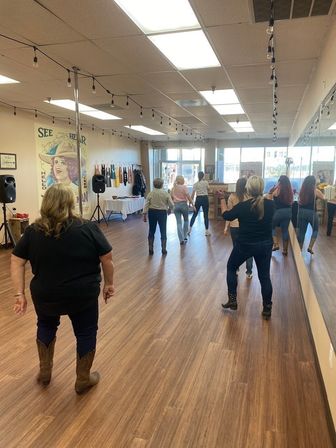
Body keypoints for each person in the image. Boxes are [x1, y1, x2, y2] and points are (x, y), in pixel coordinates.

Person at [11, 184, 114, 394]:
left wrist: (19, 294)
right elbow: (107, 259)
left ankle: (45, 371)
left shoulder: (32, 232)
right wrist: (109, 284)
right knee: (86, 332)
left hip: (46, 294)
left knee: (46, 325)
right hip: (82, 294)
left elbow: (16, 261)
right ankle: (83, 379)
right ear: (69, 203)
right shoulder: (88, 228)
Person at [220, 176, 275, 319]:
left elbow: (226, 215)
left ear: (248, 189)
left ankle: (232, 301)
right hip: (264, 245)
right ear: (261, 188)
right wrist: (270, 194)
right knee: (264, 277)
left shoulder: (243, 206)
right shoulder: (270, 205)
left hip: (245, 244)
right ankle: (267, 308)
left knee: (231, 267)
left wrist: (221, 199)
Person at [224, 177, 253, 278]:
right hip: (248, 227)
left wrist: (225, 227)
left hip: (234, 227)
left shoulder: (232, 196)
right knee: (249, 249)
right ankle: (249, 272)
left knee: (236, 248)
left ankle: (236, 268)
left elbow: (229, 213)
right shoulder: (250, 197)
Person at [143, 178, 174, 255]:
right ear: (162, 184)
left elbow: (146, 204)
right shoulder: (165, 193)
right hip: (162, 213)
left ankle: (150, 248)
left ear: (154, 185)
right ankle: (163, 249)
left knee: (151, 230)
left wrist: (144, 214)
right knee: (163, 230)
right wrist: (170, 209)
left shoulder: (151, 193)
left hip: (152, 212)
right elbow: (171, 204)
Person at [297, 175, 324, 254]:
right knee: (315, 230)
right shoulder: (315, 191)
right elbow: (323, 197)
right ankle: (310, 247)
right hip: (312, 213)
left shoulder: (302, 191)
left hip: (301, 212)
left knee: (301, 231)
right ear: (313, 183)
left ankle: (299, 250)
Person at [269, 175, 293, 256]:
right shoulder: (290, 191)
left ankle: (276, 244)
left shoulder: (277, 190)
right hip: (288, 212)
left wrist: (270, 191)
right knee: (285, 230)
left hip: (278, 212)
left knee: (271, 227)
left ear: (280, 182)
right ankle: (285, 250)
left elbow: (270, 197)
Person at [171, 175, 195, 245]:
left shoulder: (173, 187)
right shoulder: (184, 187)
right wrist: (193, 205)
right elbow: (188, 196)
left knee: (178, 223)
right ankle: (185, 237)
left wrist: (171, 206)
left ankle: (181, 239)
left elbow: (171, 197)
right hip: (184, 205)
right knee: (186, 220)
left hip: (176, 205)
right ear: (181, 180)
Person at [189, 171, 211, 236]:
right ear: (203, 176)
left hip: (198, 199)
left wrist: (191, 202)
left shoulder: (195, 184)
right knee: (206, 215)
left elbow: (193, 194)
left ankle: (189, 230)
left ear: (198, 176)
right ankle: (207, 231)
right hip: (205, 199)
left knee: (194, 214)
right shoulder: (206, 182)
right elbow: (209, 190)